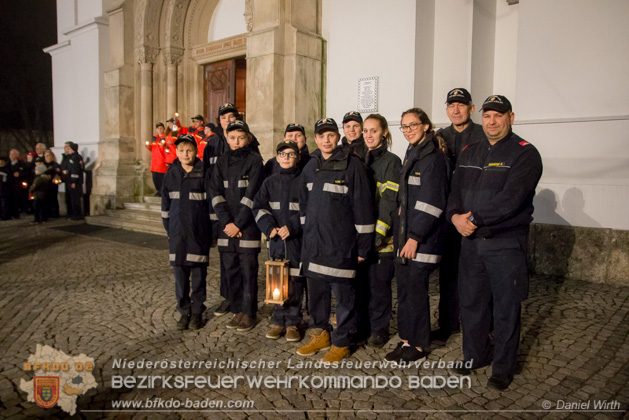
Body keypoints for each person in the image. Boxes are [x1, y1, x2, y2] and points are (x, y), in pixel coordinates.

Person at [447, 95, 542, 390]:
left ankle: (503, 365)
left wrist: (472, 218)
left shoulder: (525, 153)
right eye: (487, 115)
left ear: (510, 118)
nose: (491, 121)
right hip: (471, 244)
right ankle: (474, 356)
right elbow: (455, 192)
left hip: (505, 244)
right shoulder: (469, 150)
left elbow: (511, 200)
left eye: (498, 116)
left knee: (506, 306)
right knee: (472, 304)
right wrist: (454, 218)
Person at [297, 118, 374, 363]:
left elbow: (363, 208)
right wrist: (306, 240)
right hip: (314, 245)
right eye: (321, 136)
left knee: (345, 299)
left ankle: (342, 342)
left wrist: (363, 246)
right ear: (316, 139)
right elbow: (303, 208)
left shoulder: (352, 165)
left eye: (330, 135)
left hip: (341, 246)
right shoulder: (309, 166)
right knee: (317, 296)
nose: (326, 140)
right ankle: (320, 335)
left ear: (338, 137)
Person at [385, 108, 450, 365]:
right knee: (403, 291)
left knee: (416, 291)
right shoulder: (412, 152)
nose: (408, 130)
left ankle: (420, 345)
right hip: (405, 237)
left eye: (413, 125)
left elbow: (432, 203)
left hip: (422, 239)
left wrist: (414, 237)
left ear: (425, 126)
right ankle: (406, 340)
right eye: (404, 126)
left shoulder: (434, 158)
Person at [433, 88, 488, 341]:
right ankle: (448, 323)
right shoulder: (439, 136)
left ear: (472, 108)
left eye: (461, 105)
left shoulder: (482, 134)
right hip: (448, 215)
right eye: (451, 105)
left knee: (477, 274)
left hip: (474, 213)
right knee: (449, 272)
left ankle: (481, 326)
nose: (456, 110)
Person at [209, 120, 264, 332]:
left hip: (247, 227)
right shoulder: (221, 161)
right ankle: (238, 309)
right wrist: (226, 222)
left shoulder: (255, 160)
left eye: (241, 137)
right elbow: (215, 193)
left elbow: (252, 195)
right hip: (227, 227)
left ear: (248, 138)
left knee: (248, 271)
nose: (237, 142)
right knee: (231, 270)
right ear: (227, 139)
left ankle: (249, 312)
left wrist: (237, 223)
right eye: (232, 138)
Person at [355, 114, 402, 348]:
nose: (369, 135)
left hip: (384, 240)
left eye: (374, 130)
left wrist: (378, 236)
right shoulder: (361, 159)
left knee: (379, 287)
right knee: (362, 285)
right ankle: (363, 326)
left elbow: (389, 202)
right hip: (363, 238)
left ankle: (380, 329)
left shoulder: (391, 162)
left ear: (384, 132)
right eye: (366, 131)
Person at [254, 140, 305, 342]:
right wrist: (269, 227)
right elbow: (258, 207)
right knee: (276, 279)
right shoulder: (270, 182)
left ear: (297, 157)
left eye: (291, 154)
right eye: (283, 154)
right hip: (275, 240)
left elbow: (308, 210)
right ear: (277, 157)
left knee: (294, 280)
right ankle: (277, 320)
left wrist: (292, 227)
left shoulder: (304, 182)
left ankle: (293, 322)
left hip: (295, 241)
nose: (286, 158)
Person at [161, 134, 212, 330]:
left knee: (198, 276)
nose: (185, 154)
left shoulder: (204, 173)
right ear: (176, 152)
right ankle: (184, 311)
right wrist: (169, 230)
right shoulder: (170, 174)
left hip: (198, 234)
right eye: (181, 150)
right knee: (180, 277)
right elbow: (165, 206)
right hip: (177, 235)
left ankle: (197, 312)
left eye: (189, 150)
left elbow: (210, 207)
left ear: (196, 150)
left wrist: (211, 233)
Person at [203, 103, 239, 318]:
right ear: (219, 121)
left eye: (232, 116)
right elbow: (208, 178)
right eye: (224, 117)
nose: (228, 119)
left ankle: (242, 297)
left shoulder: (247, 140)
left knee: (243, 257)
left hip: (240, 209)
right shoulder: (212, 144)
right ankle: (227, 296)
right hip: (220, 209)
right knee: (225, 257)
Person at [61, 142, 84, 220]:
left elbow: (75, 170)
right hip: (69, 180)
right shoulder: (70, 157)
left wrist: (74, 181)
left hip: (74, 182)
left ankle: (77, 214)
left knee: (75, 199)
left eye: (69, 148)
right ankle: (72, 213)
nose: (68, 149)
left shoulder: (76, 157)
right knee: (70, 198)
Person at [146, 123, 168, 196]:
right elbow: (153, 149)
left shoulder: (166, 137)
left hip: (162, 162)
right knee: (155, 179)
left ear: (164, 129)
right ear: (156, 129)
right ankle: (159, 191)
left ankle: (163, 192)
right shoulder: (154, 137)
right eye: (158, 128)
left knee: (162, 179)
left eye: (161, 128)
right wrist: (148, 146)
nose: (160, 130)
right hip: (155, 163)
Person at [9, 149, 27, 218]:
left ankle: (17, 213)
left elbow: (26, 172)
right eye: (10, 154)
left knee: (16, 199)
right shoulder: (7, 163)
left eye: (13, 154)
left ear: (17, 155)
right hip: (9, 184)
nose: (11, 156)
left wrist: (19, 174)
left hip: (18, 184)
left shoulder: (22, 164)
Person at [44, 150, 62, 218]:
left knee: (53, 199)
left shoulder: (55, 164)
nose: (46, 157)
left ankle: (55, 213)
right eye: (45, 156)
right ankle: (47, 213)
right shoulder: (44, 164)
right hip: (45, 184)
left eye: (48, 156)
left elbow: (58, 172)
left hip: (53, 184)